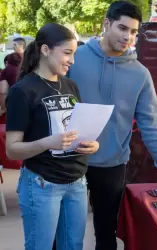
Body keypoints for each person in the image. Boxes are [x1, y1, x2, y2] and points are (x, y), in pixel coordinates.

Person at [67, 2, 157, 249]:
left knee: (106, 235)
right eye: (122, 28)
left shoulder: (140, 73)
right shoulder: (74, 59)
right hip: (70, 159)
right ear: (106, 24)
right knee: (66, 235)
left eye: (133, 31)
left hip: (112, 164)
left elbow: (152, 125)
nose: (128, 36)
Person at [5, 23, 99, 250]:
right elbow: (11, 148)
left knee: (73, 245)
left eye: (74, 54)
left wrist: (92, 144)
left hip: (76, 181)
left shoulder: (70, 85)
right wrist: (48, 142)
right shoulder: (23, 90)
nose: (72, 60)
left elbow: (78, 128)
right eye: (67, 53)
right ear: (45, 50)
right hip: (42, 184)